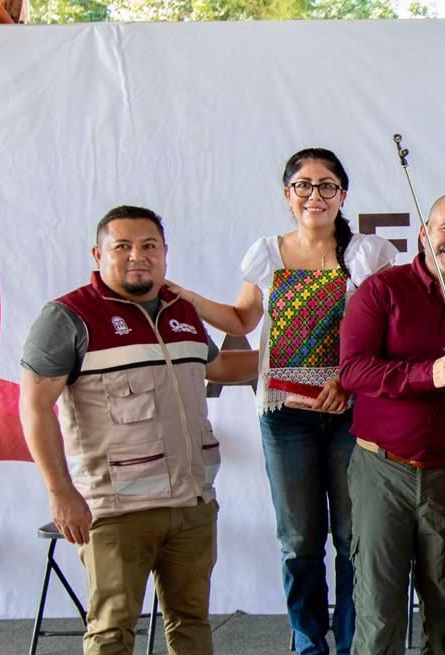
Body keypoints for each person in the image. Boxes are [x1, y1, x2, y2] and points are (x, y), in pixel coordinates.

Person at [169, 149, 398, 655]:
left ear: (343, 194)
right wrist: (185, 295)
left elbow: (384, 330)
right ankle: (307, 642)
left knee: (351, 538)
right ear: (287, 193)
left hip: (349, 414)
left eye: (326, 186)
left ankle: (352, 641)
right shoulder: (268, 252)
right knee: (298, 540)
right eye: (303, 185)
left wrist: (347, 381)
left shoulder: (369, 254)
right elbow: (240, 321)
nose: (314, 196)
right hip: (283, 414)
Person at [20, 205, 255, 655]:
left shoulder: (181, 309)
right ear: (98, 253)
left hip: (193, 503)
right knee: (111, 633)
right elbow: (33, 408)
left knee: (191, 624)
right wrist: (60, 493)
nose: (137, 256)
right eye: (122, 247)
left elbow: (221, 366)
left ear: (165, 253)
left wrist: (300, 359)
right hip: (115, 510)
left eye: (149, 246)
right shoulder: (68, 317)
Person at [339, 193, 445, 654]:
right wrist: (426, 373)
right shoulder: (382, 290)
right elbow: (352, 370)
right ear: (424, 233)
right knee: (378, 607)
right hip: (381, 468)